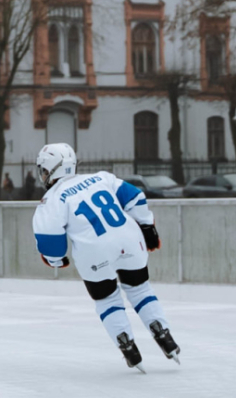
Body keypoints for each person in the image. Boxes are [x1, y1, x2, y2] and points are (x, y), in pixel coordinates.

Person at [31, 142, 181, 372]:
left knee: (107, 300)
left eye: (43, 170)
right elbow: (136, 198)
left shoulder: (52, 199)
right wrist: (148, 227)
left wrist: (56, 260)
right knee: (140, 289)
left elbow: (50, 241)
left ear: (51, 169)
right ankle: (163, 334)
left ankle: (127, 345)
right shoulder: (102, 178)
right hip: (130, 240)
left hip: (94, 252)